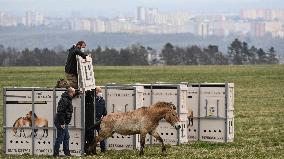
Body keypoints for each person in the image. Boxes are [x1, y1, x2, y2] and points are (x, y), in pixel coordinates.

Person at [53, 87, 77, 157]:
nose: (74, 94)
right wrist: (62, 123)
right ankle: (55, 153)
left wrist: (79, 91)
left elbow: (73, 93)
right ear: (70, 93)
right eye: (73, 93)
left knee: (66, 137)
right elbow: (60, 112)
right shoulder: (65, 100)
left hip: (63, 121)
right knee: (60, 137)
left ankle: (67, 153)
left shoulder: (67, 98)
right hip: (60, 121)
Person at [94, 87, 107, 152]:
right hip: (92, 120)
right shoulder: (92, 100)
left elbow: (104, 111)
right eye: (99, 91)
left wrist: (104, 117)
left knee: (101, 135)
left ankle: (103, 150)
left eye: (100, 91)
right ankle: (92, 149)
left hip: (99, 120)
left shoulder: (102, 100)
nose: (100, 93)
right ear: (96, 92)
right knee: (91, 135)